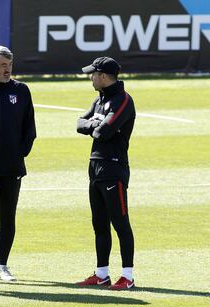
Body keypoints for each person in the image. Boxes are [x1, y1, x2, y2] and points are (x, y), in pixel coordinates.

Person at [0, 45, 36, 281]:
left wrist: (20, 152)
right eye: (3, 65)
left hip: (12, 167)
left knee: (7, 216)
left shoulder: (21, 90)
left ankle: (2, 266)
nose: (7, 70)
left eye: (9, 65)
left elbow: (29, 128)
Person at [76, 57, 136, 290]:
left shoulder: (123, 100)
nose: (90, 77)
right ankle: (102, 274)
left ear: (102, 76)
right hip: (96, 167)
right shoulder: (99, 100)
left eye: (92, 74)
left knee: (120, 223)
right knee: (99, 223)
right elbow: (79, 124)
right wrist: (95, 125)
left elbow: (104, 132)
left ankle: (128, 276)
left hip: (114, 168)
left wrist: (94, 125)